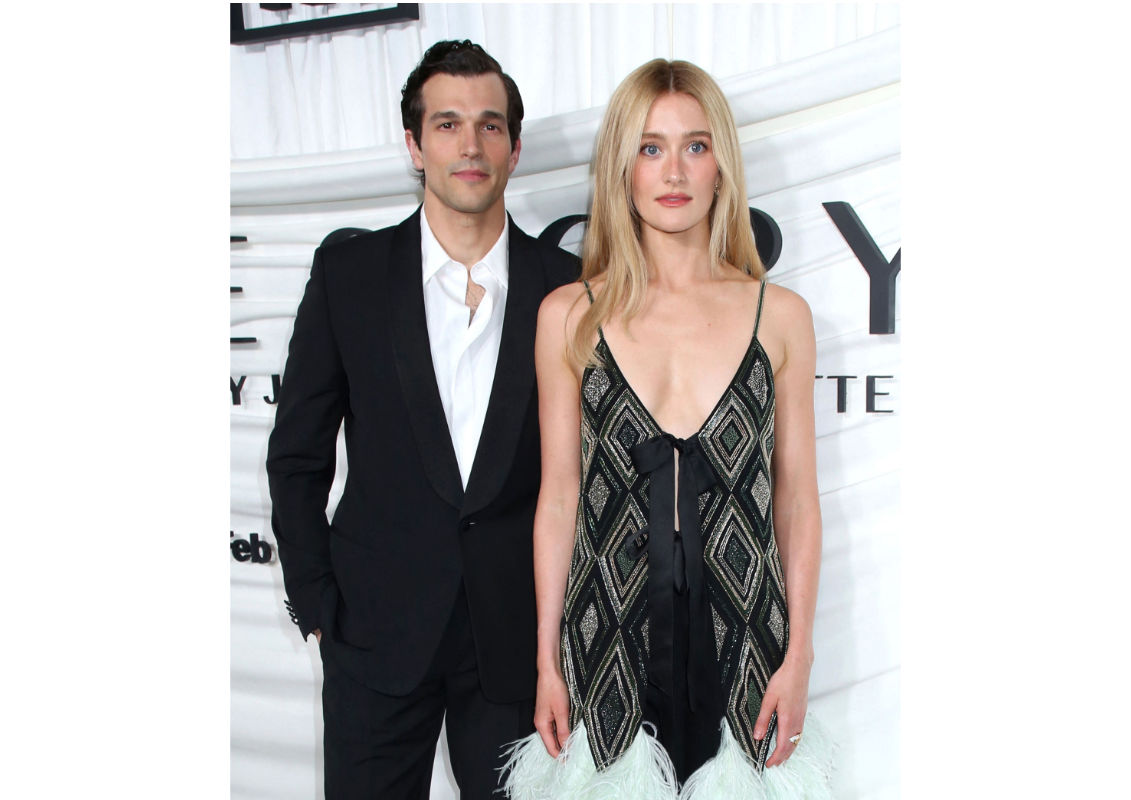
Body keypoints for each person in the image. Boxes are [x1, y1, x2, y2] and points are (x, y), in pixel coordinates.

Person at [501, 59, 833, 798]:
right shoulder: (568, 314)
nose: (674, 171)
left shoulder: (779, 316)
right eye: (650, 147)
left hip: (747, 639)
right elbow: (559, 499)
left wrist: (800, 655)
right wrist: (547, 661)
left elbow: (796, 501)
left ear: (722, 165)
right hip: (606, 635)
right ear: (622, 168)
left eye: (695, 145)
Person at [266, 40, 578, 800]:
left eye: (489, 125)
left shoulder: (567, 288)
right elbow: (298, 455)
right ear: (414, 145)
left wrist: (567, 633)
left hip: (518, 645)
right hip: (373, 633)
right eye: (447, 124)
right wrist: (318, 603)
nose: (470, 145)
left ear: (513, 147)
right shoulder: (349, 276)